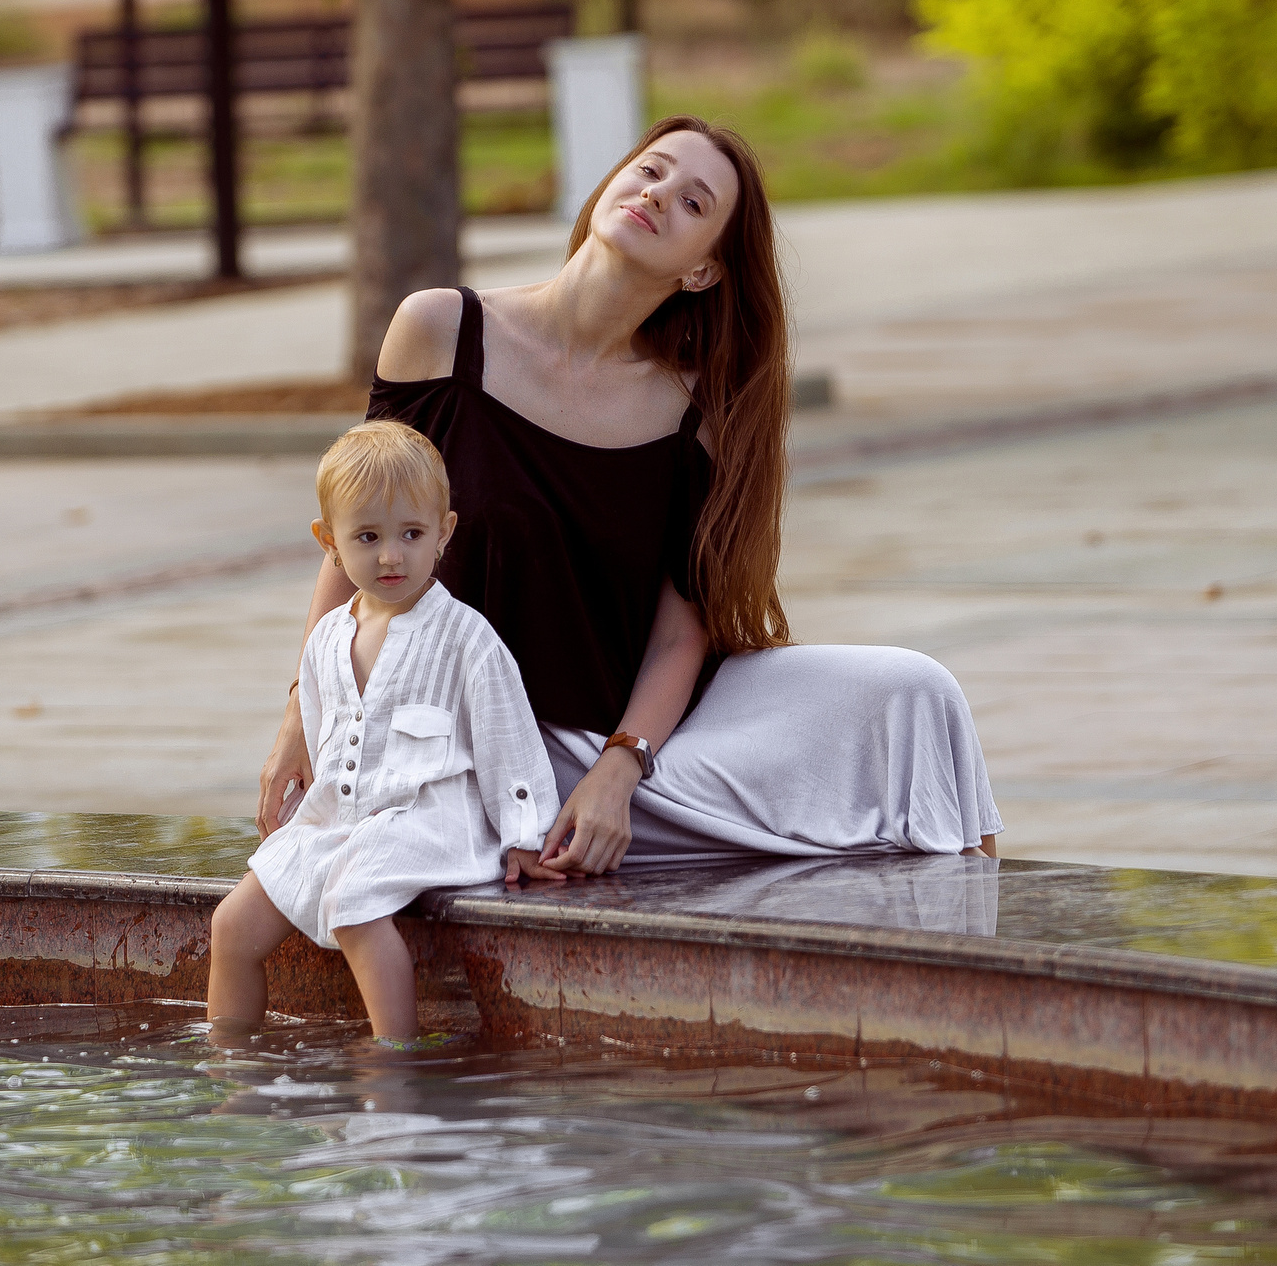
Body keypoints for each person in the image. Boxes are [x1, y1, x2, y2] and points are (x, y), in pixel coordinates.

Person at [255, 116, 1002, 876]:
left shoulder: (696, 410)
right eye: (651, 170)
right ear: (613, 179)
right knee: (850, 819)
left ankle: (972, 953)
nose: (657, 194)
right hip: (478, 743)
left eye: (692, 202)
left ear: (704, 269)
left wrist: (622, 767)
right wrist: (302, 710)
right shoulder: (441, 330)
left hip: (638, 749)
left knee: (917, 695)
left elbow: (684, 631)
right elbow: (357, 534)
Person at [210, 420, 559, 1042]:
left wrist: (523, 837)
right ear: (331, 543)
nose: (392, 555)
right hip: (343, 818)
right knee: (231, 925)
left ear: (444, 533)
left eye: (412, 534)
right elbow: (327, 743)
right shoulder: (326, 639)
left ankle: (392, 1064)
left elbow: (510, 741)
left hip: (429, 817)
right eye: (368, 536)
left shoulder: (466, 637)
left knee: (353, 900)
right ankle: (232, 1064)